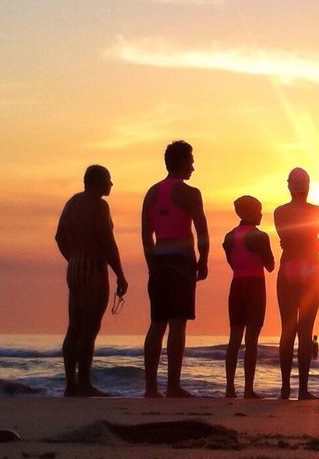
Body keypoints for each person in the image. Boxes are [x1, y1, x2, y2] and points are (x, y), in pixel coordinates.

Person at [141, 140, 209, 398]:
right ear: (180, 161)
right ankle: (172, 385)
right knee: (177, 325)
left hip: (159, 261)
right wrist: (203, 260)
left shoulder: (152, 193)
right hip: (181, 263)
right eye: (190, 160)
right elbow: (201, 231)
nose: (193, 166)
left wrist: (151, 264)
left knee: (157, 324)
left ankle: (150, 387)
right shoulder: (190, 193)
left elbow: (146, 235)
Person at [54, 164, 129, 397]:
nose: (111, 184)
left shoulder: (72, 203)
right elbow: (107, 241)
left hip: (75, 267)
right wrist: (120, 273)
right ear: (97, 181)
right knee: (89, 328)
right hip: (93, 268)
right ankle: (84, 383)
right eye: (108, 179)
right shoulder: (99, 205)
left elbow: (59, 236)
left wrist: (72, 257)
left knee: (74, 327)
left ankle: (70, 384)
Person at [273, 167, 319, 399]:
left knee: (287, 329)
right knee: (305, 332)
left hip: (288, 268)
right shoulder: (318, 212)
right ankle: (303, 390)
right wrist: (310, 241)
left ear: (289, 186)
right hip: (311, 269)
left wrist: (295, 243)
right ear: (308, 186)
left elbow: (286, 240)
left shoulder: (280, 212)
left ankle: (285, 388)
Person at [222, 195, 275, 399]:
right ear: (252, 212)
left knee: (234, 339)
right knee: (251, 340)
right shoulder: (260, 236)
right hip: (255, 286)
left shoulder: (229, 237)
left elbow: (232, 263)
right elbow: (270, 266)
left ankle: (229, 388)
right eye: (259, 210)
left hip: (237, 285)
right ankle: (248, 389)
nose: (261, 214)